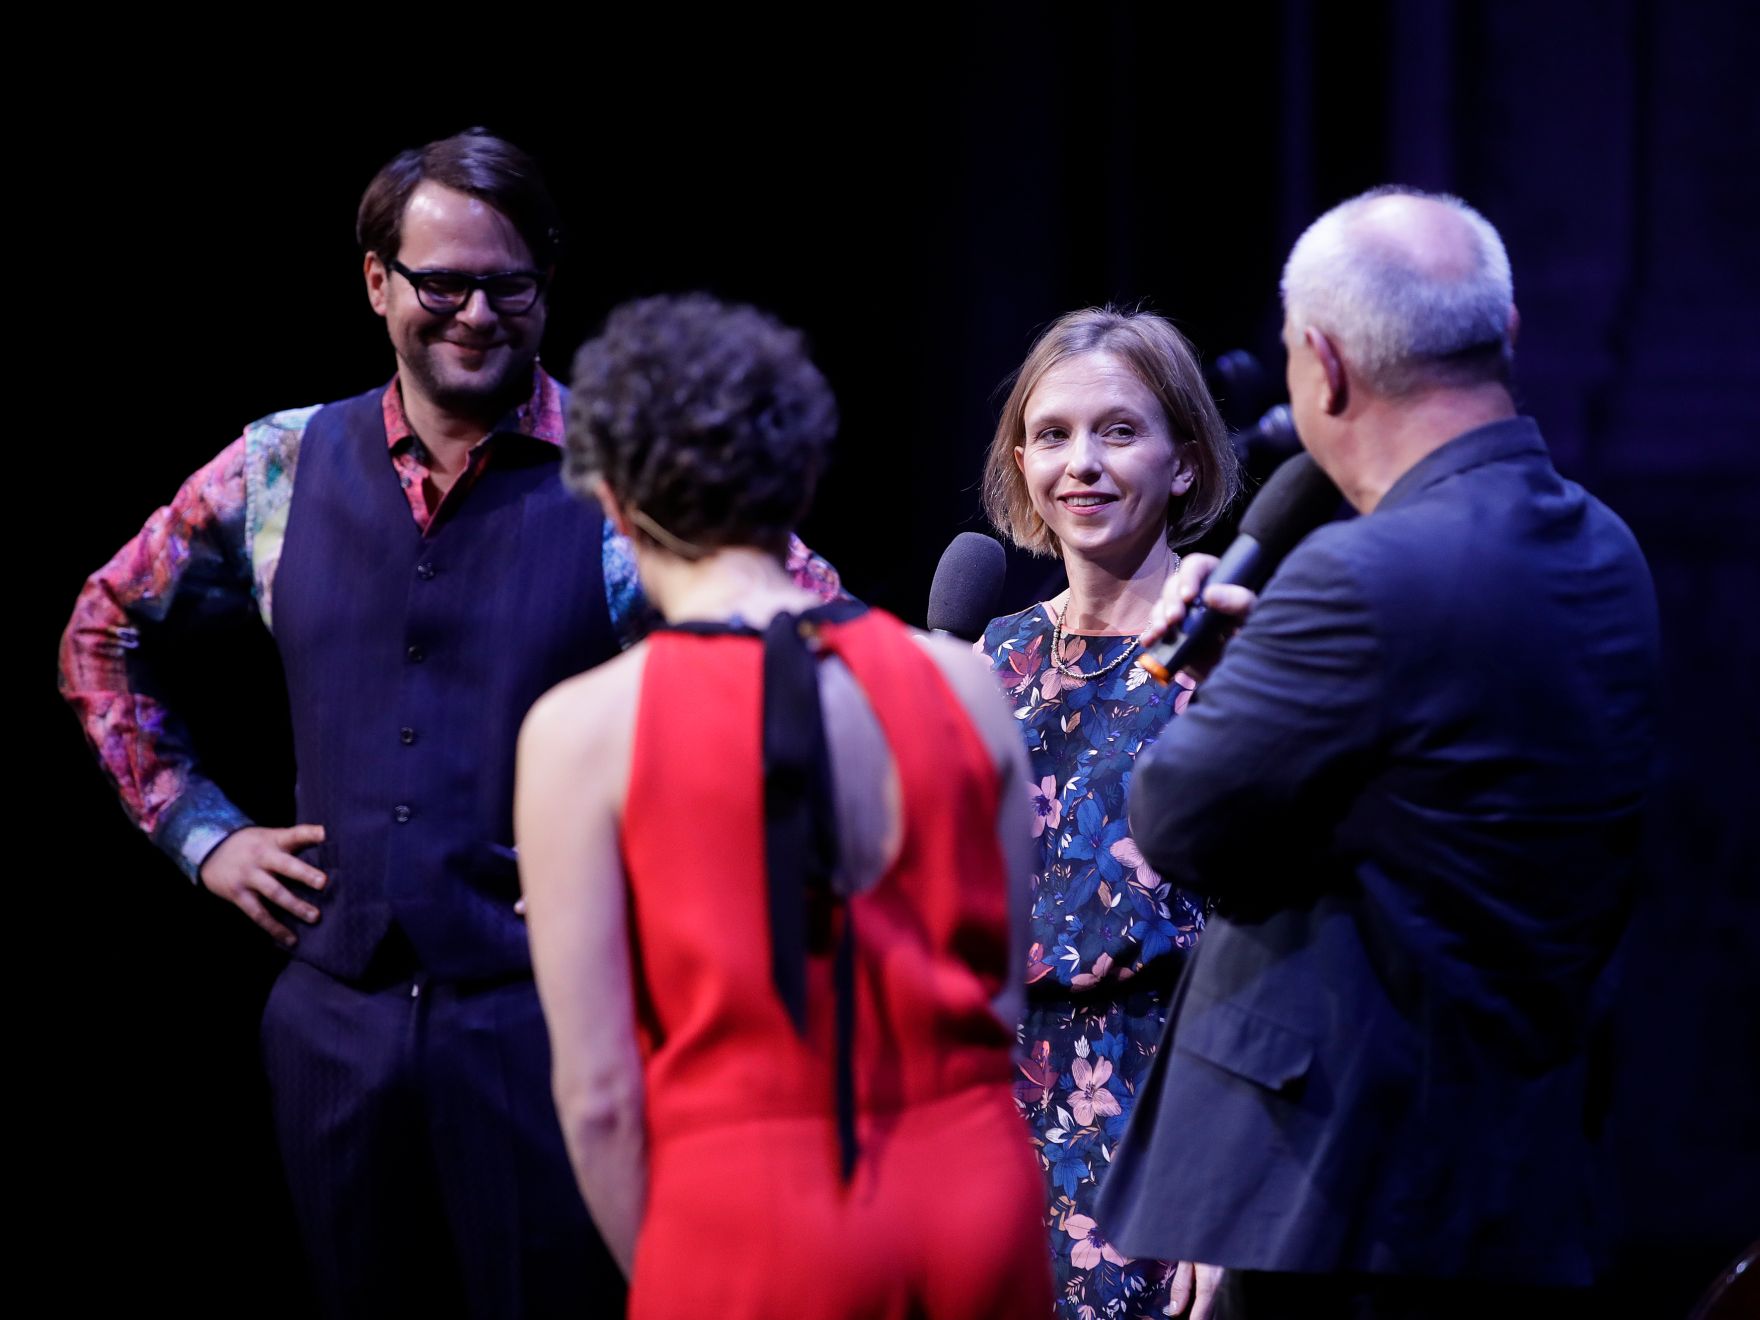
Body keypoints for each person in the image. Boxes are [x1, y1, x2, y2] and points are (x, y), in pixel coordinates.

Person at [57, 131, 837, 1318]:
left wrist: (668, 860)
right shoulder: (276, 467)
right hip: (334, 1024)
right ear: (378, 283)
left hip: (549, 1023)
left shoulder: (629, 481)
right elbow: (101, 631)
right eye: (441, 283)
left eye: (507, 285)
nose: (475, 312)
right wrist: (202, 835)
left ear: (545, 287)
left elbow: (823, 659)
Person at [1097, 187, 1661, 1319]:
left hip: (1340, 1193)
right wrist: (1281, 685)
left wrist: (1237, 686)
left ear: (1322, 364)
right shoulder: (1603, 545)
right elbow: (1435, 785)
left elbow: (1175, 819)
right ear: (1502, 335)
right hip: (1507, 1166)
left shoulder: (1357, 576)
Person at [515, 293, 1053, 1319]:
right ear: (800, 475)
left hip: (749, 1219)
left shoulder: (579, 731)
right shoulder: (965, 681)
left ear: (614, 505)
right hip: (975, 1197)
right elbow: (997, 998)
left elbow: (598, 1102)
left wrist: (683, 1268)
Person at [974, 307, 1242, 1319]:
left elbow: (1266, 943)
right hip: (990, 1126)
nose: (1079, 464)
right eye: (1052, 435)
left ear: (1181, 460)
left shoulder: (1230, 651)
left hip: (1163, 1126)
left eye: (1117, 431)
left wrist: (1225, 1195)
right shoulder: (989, 655)